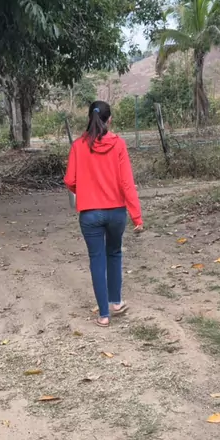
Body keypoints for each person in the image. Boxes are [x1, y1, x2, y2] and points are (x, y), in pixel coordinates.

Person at [64, 100, 143, 327]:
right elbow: (126, 183)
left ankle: (104, 315)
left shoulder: (78, 146)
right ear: (110, 120)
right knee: (114, 253)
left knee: (97, 259)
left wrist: (85, 191)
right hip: (117, 212)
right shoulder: (119, 145)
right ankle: (116, 302)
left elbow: (70, 180)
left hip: (90, 214)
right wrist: (136, 216)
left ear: (90, 118)